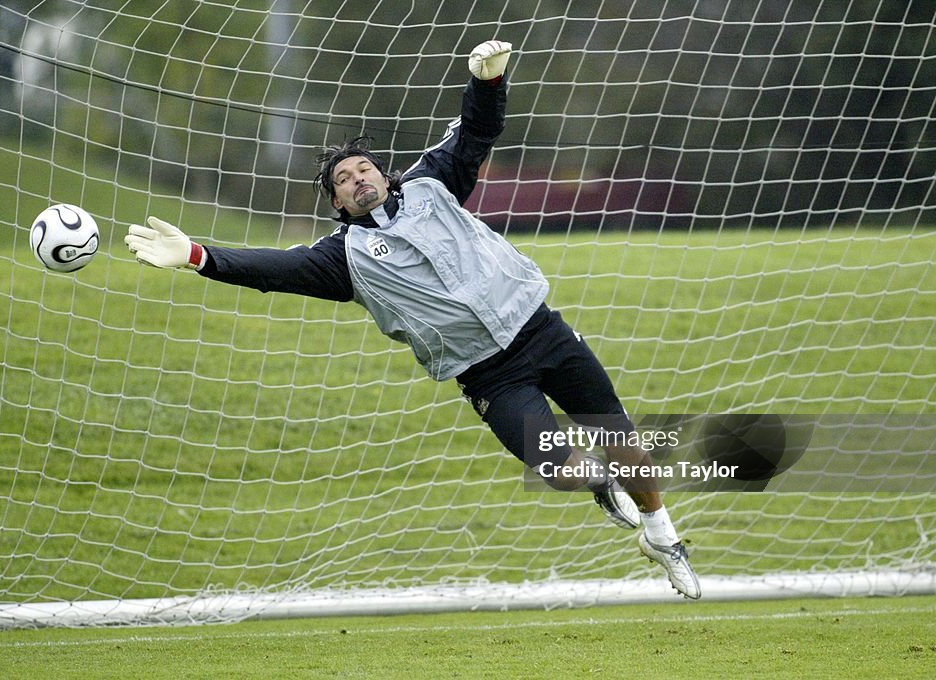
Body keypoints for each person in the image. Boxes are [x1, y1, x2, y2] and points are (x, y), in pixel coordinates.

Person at [125, 40, 701, 599]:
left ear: (383, 173)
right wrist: (199, 257)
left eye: (363, 169)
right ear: (338, 205)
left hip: (541, 330)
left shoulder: (432, 182)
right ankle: (601, 485)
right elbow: (273, 268)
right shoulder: (342, 258)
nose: (357, 178)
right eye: (344, 180)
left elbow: (477, 130)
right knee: (562, 467)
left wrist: (488, 81)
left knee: (625, 443)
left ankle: (663, 538)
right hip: (488, 375)